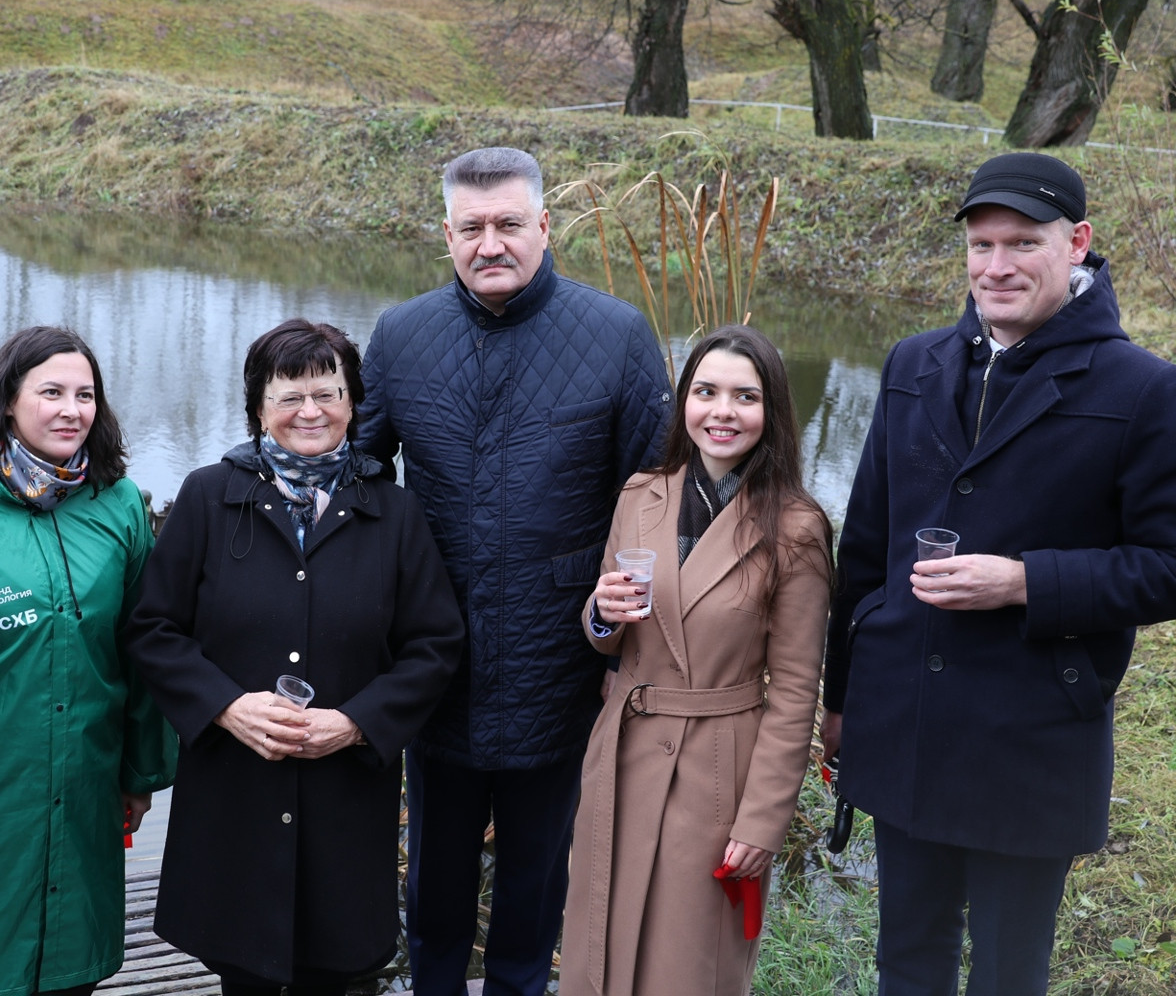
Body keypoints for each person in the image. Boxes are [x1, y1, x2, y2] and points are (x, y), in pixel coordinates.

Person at [823, 152, 1176, 995]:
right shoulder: (912, 364)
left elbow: (1167, 568)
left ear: (1078, 243)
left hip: (1034, 732)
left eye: (1023, 242)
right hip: (905, 717)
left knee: (1010, 975)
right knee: (906, 959)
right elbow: (865, 551)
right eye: (981, 245)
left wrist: (1024, 583)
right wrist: (841, 699)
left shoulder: (1144, 389)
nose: (997, 266)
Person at [356, 146, 673, 996]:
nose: (489, 243)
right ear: (446, 235)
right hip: (437, 670)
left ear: (543, 225)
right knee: (433, 894)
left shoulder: (616, 335)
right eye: (471, 228)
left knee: (536, 896)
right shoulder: (400, 335)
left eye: (507, 224)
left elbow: (658, 500)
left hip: (560, 671)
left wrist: (626, 654)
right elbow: (356, 478)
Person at [123, 318, 463, 996]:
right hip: (234, 796)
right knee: (243, 972)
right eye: (290, 396)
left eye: (328, 393)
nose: (311, 411)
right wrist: (226, 707)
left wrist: (359, 722)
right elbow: (153, 630)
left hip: (347, 796)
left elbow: (436, 646)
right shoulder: (209, 497)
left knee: (336, 972)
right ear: (258, 407)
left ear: (354, 403)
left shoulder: (393, 514)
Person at [0, 325, 178, 996]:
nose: (71, 409)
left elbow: (143, 650)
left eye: (85, 394)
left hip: (84, 792)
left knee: (71, 970)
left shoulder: (119, 506)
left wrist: (138, 773)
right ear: (8, 399)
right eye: (50, 391)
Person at [558, 324, 831, 996]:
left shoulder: (795, 528)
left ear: (772, 414)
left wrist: (763, 819)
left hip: (718, 767)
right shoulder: (640, 495)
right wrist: (600, 613)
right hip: (622, 750)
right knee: (598, 948)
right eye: (706, 391)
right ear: (684, 401)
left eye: (745, 396)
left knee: (687, 961)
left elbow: (796, 691)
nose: (722, 412)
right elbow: (610, 632)